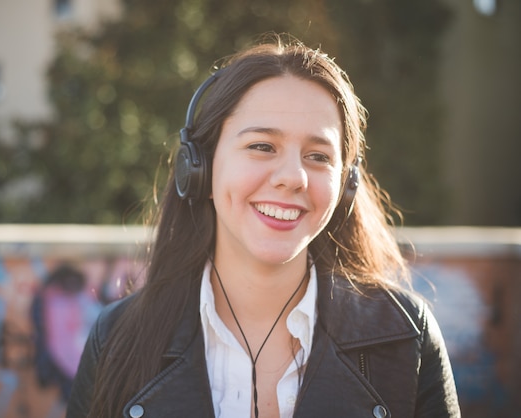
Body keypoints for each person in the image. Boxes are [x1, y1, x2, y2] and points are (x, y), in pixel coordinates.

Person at [67, 35, 460, 418]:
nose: (293, 177)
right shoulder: (118, 339)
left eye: (318, 156)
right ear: (199, 168)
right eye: (262, 146)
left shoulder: (408, 337)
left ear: (345, 186)